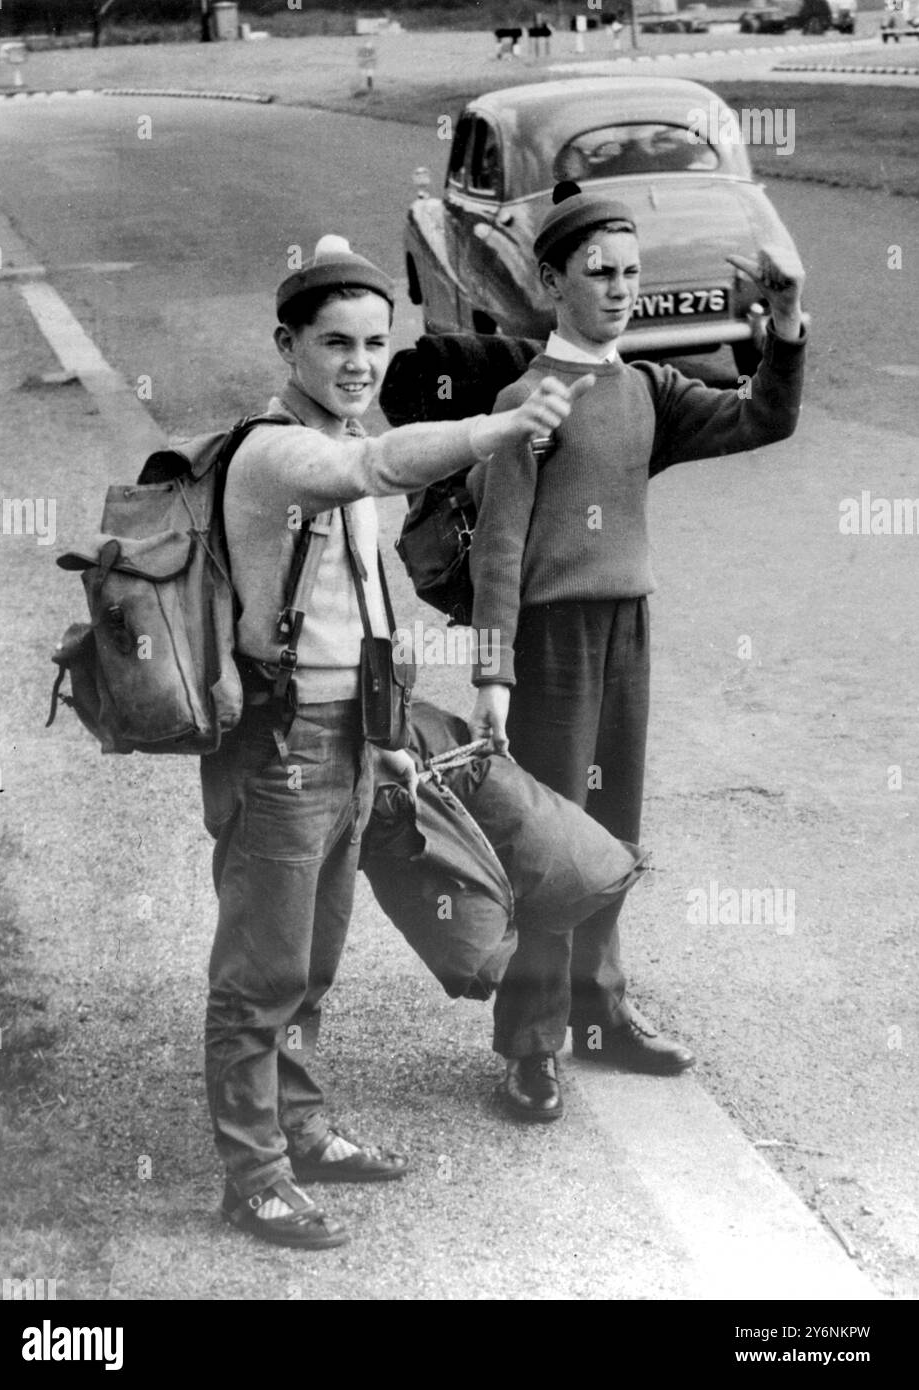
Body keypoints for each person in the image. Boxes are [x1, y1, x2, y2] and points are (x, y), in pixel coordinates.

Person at [200, 233, 591, 1248]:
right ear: (287, 346)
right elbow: (378, 461)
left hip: (348, 740)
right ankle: (254, 1175)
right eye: (336, 344)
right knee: (260, 971)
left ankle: (301, 1123)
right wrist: (498, 424)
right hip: (281, 747)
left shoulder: (339, 437)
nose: (361, 363)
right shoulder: (279, 452)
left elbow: (366, 612)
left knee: (315, 960)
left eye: (377, 342)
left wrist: (388, 739)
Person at [468, 182, 806, 1122]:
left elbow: (764, 419)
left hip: (628, 632)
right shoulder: (525, 402)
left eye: (631, 274)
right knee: (552, 845)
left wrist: (784, 326)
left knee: (614, 835)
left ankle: (601, 1010)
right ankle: (532, 1043)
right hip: (551, 643)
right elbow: (498, 549)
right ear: (550, 280)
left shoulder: (650, 389)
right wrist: (494, 672)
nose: (620, 290)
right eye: (598, 272)